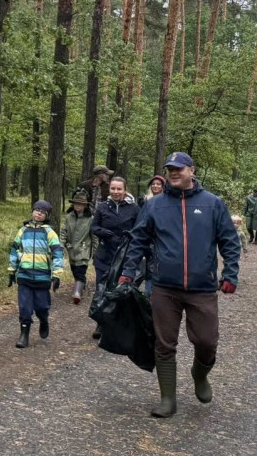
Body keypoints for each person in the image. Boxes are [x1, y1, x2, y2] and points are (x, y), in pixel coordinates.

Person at [119, 152, 240, 418]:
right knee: (164, 344)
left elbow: (230, 241)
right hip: (164, 287)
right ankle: (168, 400)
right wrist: (128, 272)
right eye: (170, 169)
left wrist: (230, 274)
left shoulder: (212, 204)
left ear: (191, 170)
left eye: (179, 169)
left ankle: (200, 373)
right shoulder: (155, 206)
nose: (173, 173)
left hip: (202, 287)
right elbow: (138, 241)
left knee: (206, 341)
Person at [8, 200, 64, 349]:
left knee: (42, 306)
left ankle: (43, 319)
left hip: (42, 276)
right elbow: (14, 250)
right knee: (24, 307)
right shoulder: (23, 230)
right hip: (24, 275)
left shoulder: (49, 233)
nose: (39, 213)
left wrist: (56, 274)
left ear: (47, 215)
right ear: (32, 211)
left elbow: (58, 254)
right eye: (37, 210)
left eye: (43, 212)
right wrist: (12, 270)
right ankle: (24, 334)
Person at [90, 177, 139, 339]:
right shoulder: (103, 207)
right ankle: (101, 323)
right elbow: (94, 227)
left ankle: (119, 325)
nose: (116, 192)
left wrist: (129, 238)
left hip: (125, 257)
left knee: (120, 291)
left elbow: (140, 230)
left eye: (119, 189)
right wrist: (103, 232)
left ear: (125, 190)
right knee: (102, 289)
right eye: (113, 189)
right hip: (104, 255)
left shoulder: (134, 208)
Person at [60, 189, 94, 304]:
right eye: (76, 203)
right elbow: (64, 232)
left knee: (80, 271)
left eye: (80, 203)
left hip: (84, 250)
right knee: (75, 271)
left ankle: (77, 293)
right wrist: (61, 245)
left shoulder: (90, 219)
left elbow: (94, 237)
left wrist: (95, 252)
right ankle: (81, 285)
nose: (78, 205)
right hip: (71, 250)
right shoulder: (69, 217)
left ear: (85, 205)